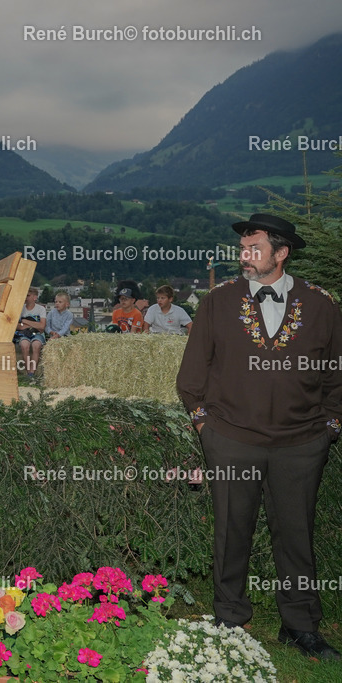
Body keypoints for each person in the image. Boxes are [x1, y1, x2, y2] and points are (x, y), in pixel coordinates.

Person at [177, 213, 342, 661]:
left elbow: (336, 375)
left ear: (281, 253)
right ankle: (230, 620)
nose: (244, 257)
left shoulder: (321, 304)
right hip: (231, 439)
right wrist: (206, 428)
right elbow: (191, 376)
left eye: (254, 249)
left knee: (297, 535)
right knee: (231, 532)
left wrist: (330, 428)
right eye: (242, 250)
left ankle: (301, 625)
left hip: (302, 444)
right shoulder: (217, 302)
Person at [13, 287, 47, 381]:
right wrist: (34, 324)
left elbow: (42, 326)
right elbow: (17, 326)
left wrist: (25, 321)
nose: (25, 297)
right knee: (24, 345)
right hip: (24, 333)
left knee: (36, 345)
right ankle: (28, 373)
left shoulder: (41, 309)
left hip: (37, 333)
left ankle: (32, 372)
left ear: (34, 297)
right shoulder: (20, 309)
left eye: (28, 295)